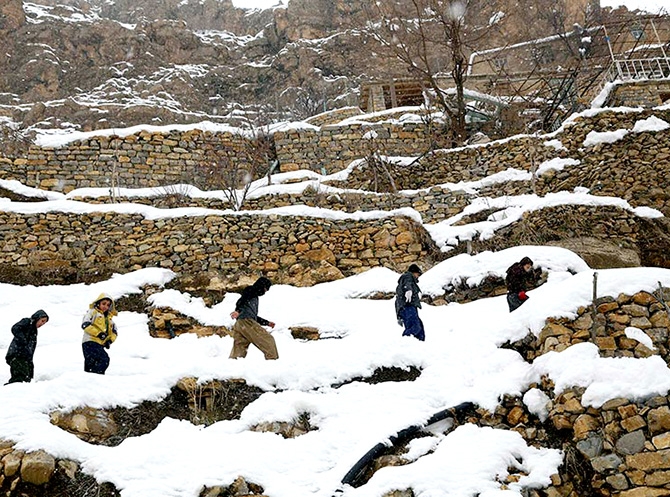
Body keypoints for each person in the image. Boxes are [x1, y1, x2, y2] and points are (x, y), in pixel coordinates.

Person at [229, 277, 278, 360]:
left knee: (239, 348)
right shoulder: (250, 291)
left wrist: (266, 322)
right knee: (268, 340)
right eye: (265, 289)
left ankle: (233, 366)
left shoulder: (253, 295)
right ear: (261, 286)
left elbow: (253, 316)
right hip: (246, 322)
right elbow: (241, 301)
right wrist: (238, 311)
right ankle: (272, 362)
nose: (265, 292)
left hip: (240, 324)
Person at [4, 310, 49, 384]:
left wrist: (30, 360)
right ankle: (10, 391)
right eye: (42, 321)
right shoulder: (27, 322)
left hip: (26, 358)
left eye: (44, 323)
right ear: (37, 318)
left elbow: (31, 347)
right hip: (17, 355)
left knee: (28, 380)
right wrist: (23, 340)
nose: (42, 324)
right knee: (19, 378)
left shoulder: (34, 331)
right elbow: (15, 328)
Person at [82, 293, 118, 374]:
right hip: (90, 341)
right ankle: (97, 376)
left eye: (108, 305)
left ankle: (89, 379)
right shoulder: (93, 312)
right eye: (103, 304)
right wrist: (99, 333)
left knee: (91, 363)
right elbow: (85, 324)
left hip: (100, 344)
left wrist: (109, 340)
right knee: (103, 359)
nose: (105, 306)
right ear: (98, 303)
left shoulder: (109, 319)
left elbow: (114, 332)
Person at [395, 263, 425, 341]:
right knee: (415, 327)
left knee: (420, 329)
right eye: (418, 274)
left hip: (408, 307)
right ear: (414, 272)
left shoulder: (408, 279)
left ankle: (419, 346)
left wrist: (398, 316)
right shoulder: (408, 276)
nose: (418, 276)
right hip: (407, 307)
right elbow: (407, 283)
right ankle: (404, 343)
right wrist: (408, 290)